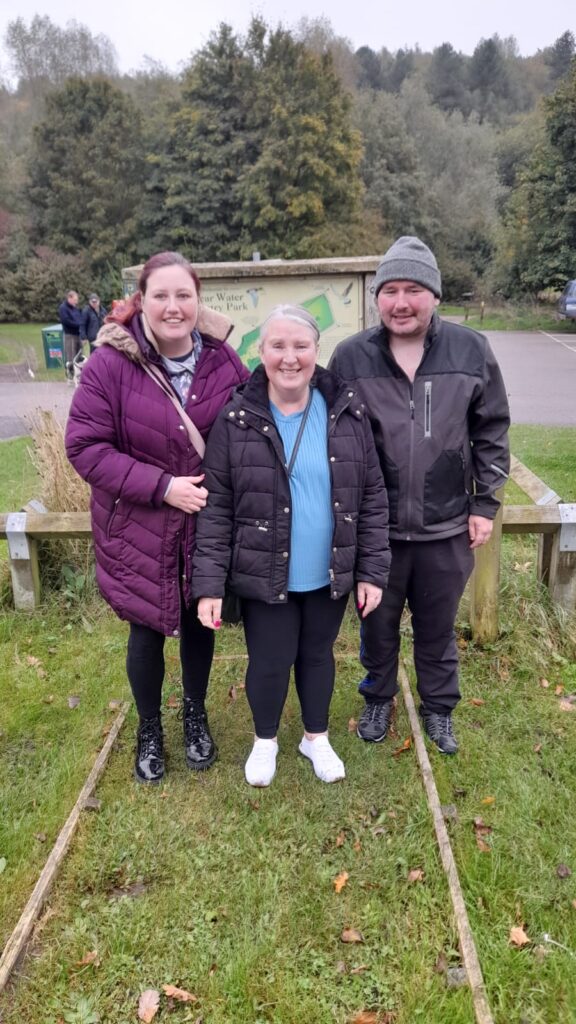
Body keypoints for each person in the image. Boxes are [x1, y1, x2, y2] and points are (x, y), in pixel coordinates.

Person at [65, 252, 249, 783]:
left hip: (204, 526)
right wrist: (162, 486)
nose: (173, 307)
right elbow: (85, 446)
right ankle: (149, 726)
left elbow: (246, 429)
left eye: (184, 295)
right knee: (146, 629)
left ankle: (195, 714)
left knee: (200, 619)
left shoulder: (223, 361)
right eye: (161, 295)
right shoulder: (110, 365)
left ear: (198, 301)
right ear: (141, 300)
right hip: (138, 526)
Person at [193, 305, 390, 787]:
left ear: (315, 351)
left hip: (329, 571)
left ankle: (315, 737)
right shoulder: (236, 419)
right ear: (260, 353)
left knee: (319, 656)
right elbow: (216, 508)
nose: (289, 357)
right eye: (277, 345)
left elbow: (372, 496)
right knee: (270, 658)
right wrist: (209, 585)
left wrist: (371, 572)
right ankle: (265, 741)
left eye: (300, 346)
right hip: (264, 571)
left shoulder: (347, 410)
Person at [329, 237, 510, 755]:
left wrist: (485, 503)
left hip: (446, 524)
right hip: (376, 529)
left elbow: (492, 427)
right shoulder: (351, 356)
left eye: (413, 289)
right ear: (378, 298)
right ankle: (378, 697)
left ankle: (438, 709)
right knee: (376, 625)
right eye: (390, 290)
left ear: (433, 294)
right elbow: (335, 437)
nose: (400, 302)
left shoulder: (470, 350)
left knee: (437, 627)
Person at [58, 290, 83, 380]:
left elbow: (80, 318)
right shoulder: (63, 308)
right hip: (70, 335)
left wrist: (81, 324)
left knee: (79, 355)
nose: (76, 301)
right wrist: (78, 324)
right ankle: (70, 375)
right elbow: (66, 321)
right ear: (69, 298)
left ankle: (79, 375)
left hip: (78, 334)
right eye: (75, 299)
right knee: (71, 356)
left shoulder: (75, 308)